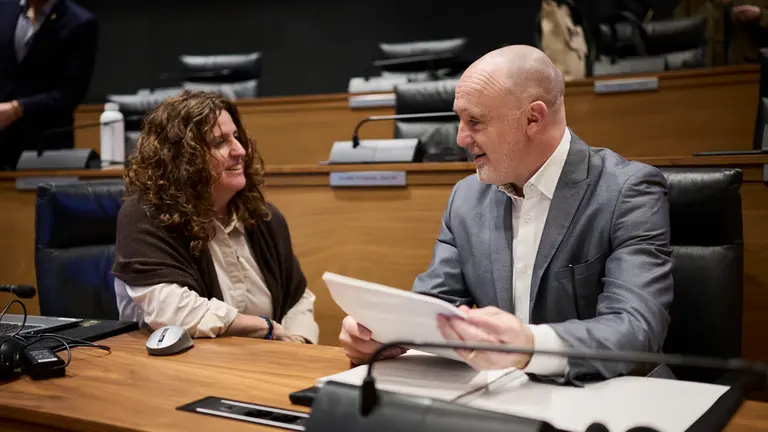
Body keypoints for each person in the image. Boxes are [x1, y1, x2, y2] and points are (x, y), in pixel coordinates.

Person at [339, 45, 674, 383]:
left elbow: (636, 328)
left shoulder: (627, 191)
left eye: (475, 122)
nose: (460, 138)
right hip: (497, 397)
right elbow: (437, 306)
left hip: (603, 397)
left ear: (533, 118)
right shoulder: (467, 198)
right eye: (460, 119)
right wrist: (387, 335)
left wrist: (530, 347)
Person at [112, 91, 319, 344]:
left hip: (268, 367)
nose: (240, 150)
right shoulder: (145, 216)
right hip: (183, 371)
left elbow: (298, 299)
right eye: (220, 142)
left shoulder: (264, 217)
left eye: (236, 137)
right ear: (181, 158)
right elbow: (171, 311)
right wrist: (265, 328)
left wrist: (299, 345)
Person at [0, 0, 98, 170]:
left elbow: (71, 94)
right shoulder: (4, 9)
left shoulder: (79, 22)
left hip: (45, 146)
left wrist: (18, 108)